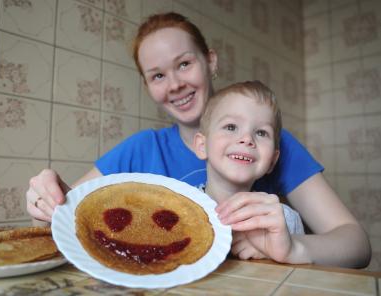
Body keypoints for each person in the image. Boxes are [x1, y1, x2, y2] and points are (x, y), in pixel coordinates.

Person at [26, 12, 371, 268]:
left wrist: (297, 249)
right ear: (148, 87)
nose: (174, 83)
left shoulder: (269, 143)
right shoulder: (141, 149)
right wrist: (46, 203)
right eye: (158, 75)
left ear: (210, 62)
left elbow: (356, 244)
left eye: (184, 63)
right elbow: (63, 222)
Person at [193, 80, 303, 260]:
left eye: (261, 132)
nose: (246, 138)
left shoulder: (286, 221)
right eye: (231, 127)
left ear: (273, 161)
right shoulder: (178, 209)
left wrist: (275, 255)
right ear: (202, 146)